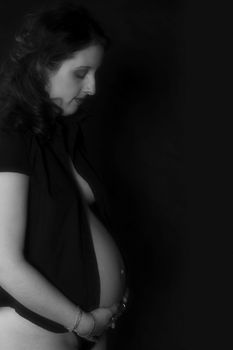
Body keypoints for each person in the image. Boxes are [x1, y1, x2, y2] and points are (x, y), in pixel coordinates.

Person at [0, 2, 129, 350]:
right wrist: (82, 321)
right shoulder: (9, 136)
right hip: (36, 331)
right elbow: (4, 263)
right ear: (43, 65)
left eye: (95, 73)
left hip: (88, 327)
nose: (92, 88)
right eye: (80, 72)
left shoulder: (62, 134)